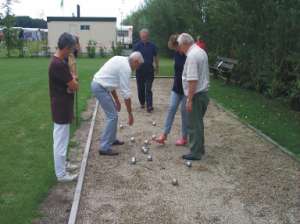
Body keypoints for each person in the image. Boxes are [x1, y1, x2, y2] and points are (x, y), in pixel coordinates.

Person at [91, 52, 144, 156]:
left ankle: (112, 139)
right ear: (135, 61)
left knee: (113, 114)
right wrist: (130, 114)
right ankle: (104, 147)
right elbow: (126, 94)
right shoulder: (126, 68)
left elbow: (111, 81)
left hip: (100, 85)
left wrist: (116, 100)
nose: (137, 68)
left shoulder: (120, 59)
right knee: (112, 116)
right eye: (138, 65)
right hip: (99, 88)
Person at [48, 32, 79, 182]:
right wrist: (73, 81)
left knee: (63, 139)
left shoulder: (60, 62)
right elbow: (74, 86)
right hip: (61, 107)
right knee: (60, 141)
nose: (72, 51)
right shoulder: (58, 64)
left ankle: (63, 165)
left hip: (62, 105)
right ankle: (61, 174)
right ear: (66, 47)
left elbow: (70, 84)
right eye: (71, 48)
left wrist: (72, 81)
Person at [177, 33, 210, 160]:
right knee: (198, 123)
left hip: (196, 95)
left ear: (184, 43)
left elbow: (192, 80)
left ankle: (195, 152)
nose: (180, 48)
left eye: (180, 45)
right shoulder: (201, 52)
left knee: (193, 125)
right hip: (203, 94)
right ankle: (200, 148)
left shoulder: (191, 56)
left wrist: (189, 100)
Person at [155, 34, 188, 146]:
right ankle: (164, 135)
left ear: (179, 44)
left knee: (184, 113)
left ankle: (184, 137)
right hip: (176, 88)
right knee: (171, 109)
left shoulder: (189, 56)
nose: (175, 50)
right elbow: (177, 70)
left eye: (175, 47)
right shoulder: (176, 54)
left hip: (186, 91)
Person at [133, 28, 159, 112]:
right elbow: (134, 58)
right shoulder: (137, 46)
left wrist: (157, 66)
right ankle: (142, 102)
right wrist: (134, 67)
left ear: (148, 36)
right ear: (140, 36)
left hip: (149, 70)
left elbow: (156, 57)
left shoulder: (152, 46)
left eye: (146, 36)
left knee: (148, 88)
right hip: (139, 71)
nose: (144, 37)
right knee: (140, 88)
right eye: (143, 36)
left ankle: (149, 105)